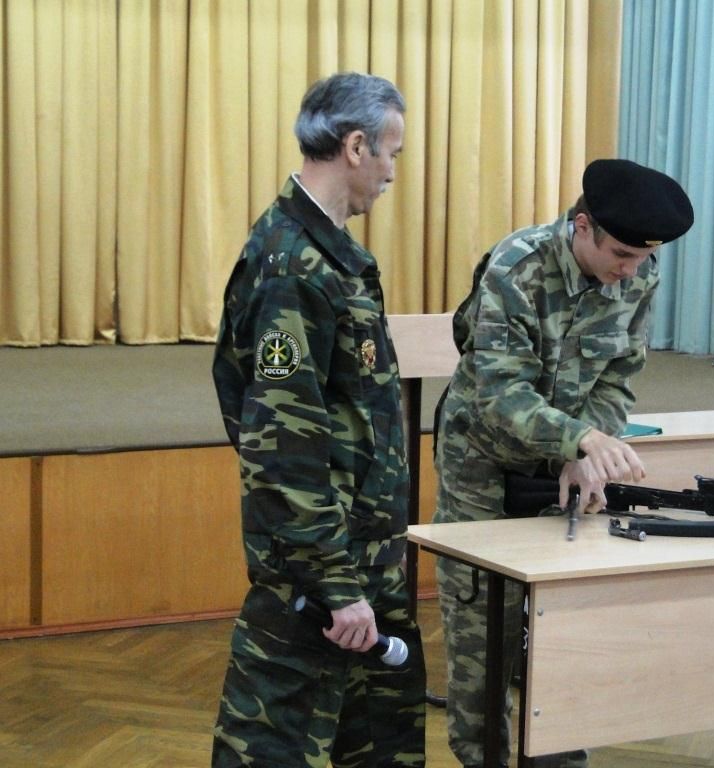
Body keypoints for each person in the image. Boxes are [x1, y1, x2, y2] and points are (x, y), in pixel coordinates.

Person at [433, 159, 694, 768]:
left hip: (564, 464)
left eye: (645, 258)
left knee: (561, 630)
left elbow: (618, 375)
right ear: (582, 226)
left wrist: (585, 453)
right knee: (483, 632)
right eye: (622, 254)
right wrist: (580, 440)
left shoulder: (638, 272)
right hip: (481, 461)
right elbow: (501, 394)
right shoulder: (517, 268)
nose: (631, 271)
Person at [210, 72, 426, 768]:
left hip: (363, 559)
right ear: (356, 147)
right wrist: (333, 583)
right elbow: (280, 447)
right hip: (319, 579)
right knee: (273, 748)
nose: (392, 173)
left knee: (383, 747)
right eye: (391, 153)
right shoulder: (294, 266)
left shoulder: (330, 254)